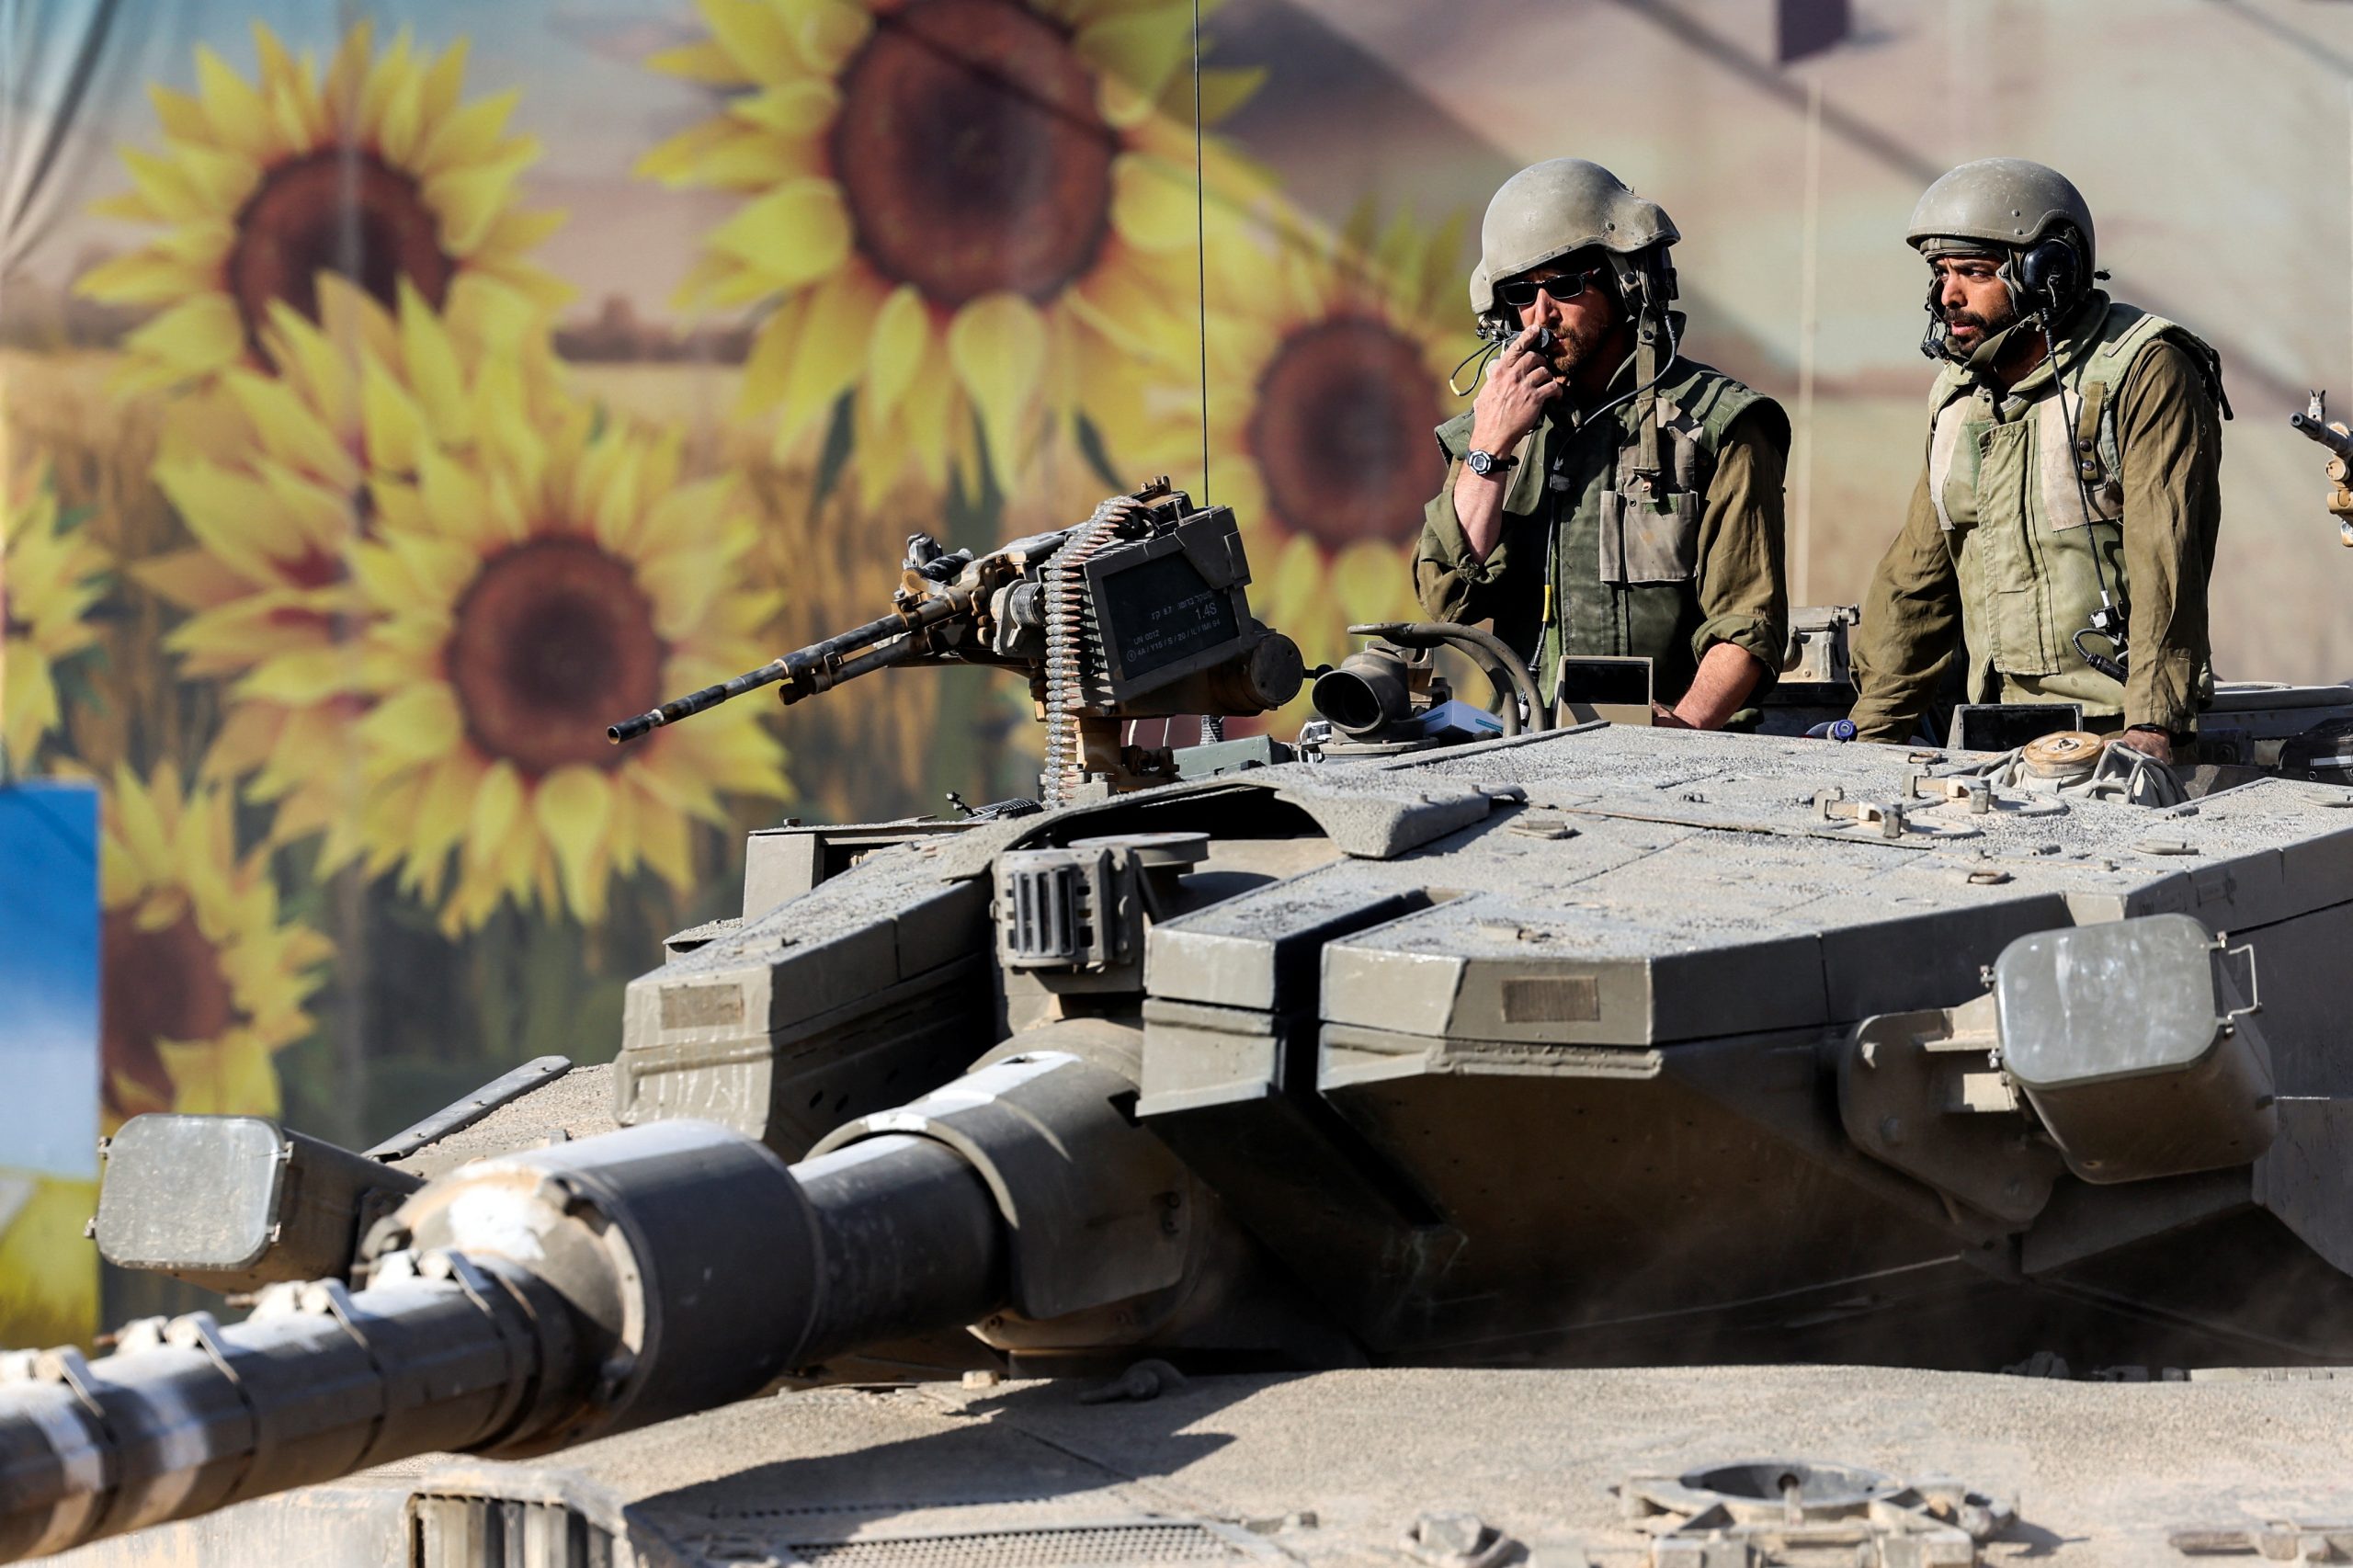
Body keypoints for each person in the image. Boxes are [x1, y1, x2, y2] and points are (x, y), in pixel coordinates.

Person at [1847, 158, 2229, 761]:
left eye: (1973, 272)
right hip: (1989, 733)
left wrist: (2152, 725)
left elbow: (2166, 557)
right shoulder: (1957, 396)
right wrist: (1869, 736)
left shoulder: (2143, 371)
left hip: (2111, 731)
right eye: (1940, 272)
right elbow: (1917, 583)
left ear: (2049, 272)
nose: (1948, 295)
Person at [1412, 159, 1789, 729]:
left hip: (1679, 757)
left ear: (1624, 280)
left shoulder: (1720, 425)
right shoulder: (1499, 427)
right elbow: (1446, 598)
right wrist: (1489, 446)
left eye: (1565, 286)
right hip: (1522, 748)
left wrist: (1674, 738)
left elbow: (1746, 626)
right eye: (1520, 295)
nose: (1540, 317)